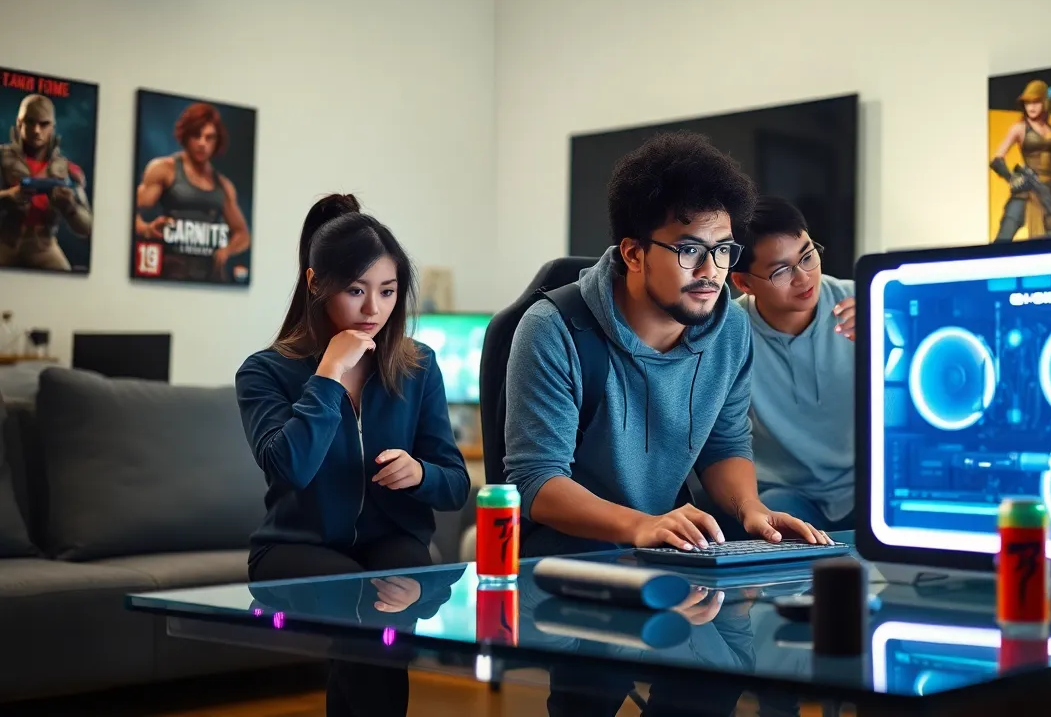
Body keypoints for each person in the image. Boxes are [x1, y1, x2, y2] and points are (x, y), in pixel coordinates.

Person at [504, 130, 832, 563]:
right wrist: (640, 524)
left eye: (723, 251)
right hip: (570, 558)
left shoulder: (731, 327)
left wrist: (751, 509)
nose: (710, 271)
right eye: (689, 249)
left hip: (670, 549)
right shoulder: (554, 329)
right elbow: (536, 480)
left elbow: (724, 445)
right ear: (634, 254)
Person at [235, 194, 469, 717]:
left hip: (391, 541)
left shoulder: (417, 366)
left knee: (392, 607)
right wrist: (328, 374)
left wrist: (420, 473)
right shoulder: (264, 372)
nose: (373, 310)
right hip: (294, 549)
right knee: (362, 605)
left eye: (387, 292)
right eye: (356, 291)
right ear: (317, 284)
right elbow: (288, 466)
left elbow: (455, 485)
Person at [730, 197, 857, 532]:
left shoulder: (865, 305)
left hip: (866, 486)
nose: (803, 278)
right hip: (785, 494)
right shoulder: (728, 334)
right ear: (744, 283)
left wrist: (889, 344)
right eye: (781, 270)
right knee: (774, 524)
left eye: (807, 256)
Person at [135, 101, 251, 281]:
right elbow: (128, 213)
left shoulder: (223, 186)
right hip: (170, 271)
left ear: (216, 141)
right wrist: (146, 229)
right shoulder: (164, 169)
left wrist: (227, 250)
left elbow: (242, 234)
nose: (202, 143)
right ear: (186, 136)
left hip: (209, 277)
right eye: (197, 135)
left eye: (209, 137)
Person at [0, 94, 92, 270]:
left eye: (44, 124)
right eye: (30, 122)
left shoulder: (69, 169)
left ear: (53, 127)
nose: (36, 130)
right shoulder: (2, 158)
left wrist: (69, 207)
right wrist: (9, 196)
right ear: (19, 123)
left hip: (44, 248)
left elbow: (87, 227)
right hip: (5, 244)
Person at [989, 79, 1051, 242]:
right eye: (1027, 102)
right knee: (1003, 239)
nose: (1031, 107)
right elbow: (996, 159)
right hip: (1025, 190)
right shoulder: (1020, 128)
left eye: (1036, 102)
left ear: (1045, 103)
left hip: (1047, 192)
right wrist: (1012, 178)